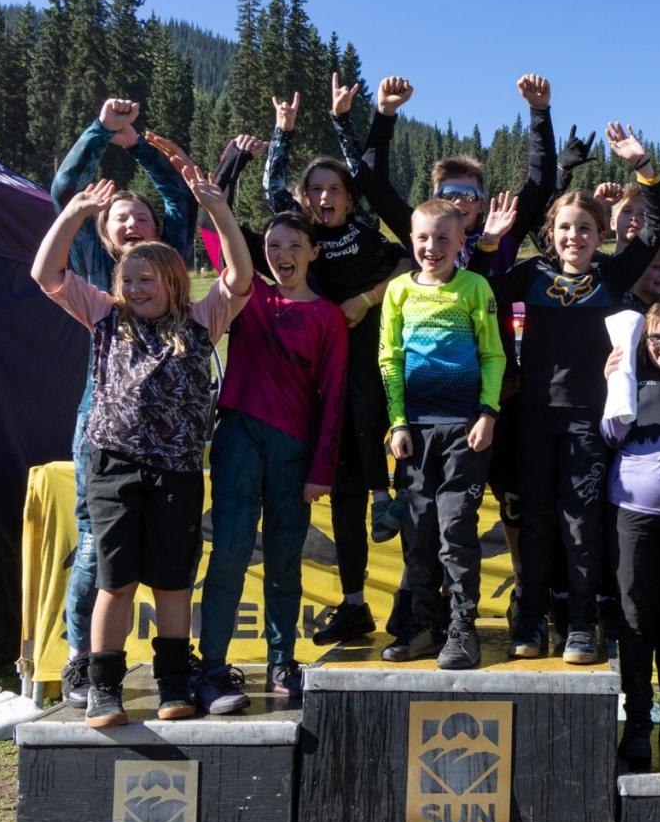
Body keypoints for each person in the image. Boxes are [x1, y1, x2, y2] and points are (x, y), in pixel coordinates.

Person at [337, 73, 557, 635]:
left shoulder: (506, 233)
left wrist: (539, 114)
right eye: (451, 194)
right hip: (432, 408)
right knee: (426, 511)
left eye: (469, 195)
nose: (460, 203)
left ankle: (525, 604)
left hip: (497, 396)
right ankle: (417, 602)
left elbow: (541, 179)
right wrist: (383, 116)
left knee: (512, 505)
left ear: (483, 205)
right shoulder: (426, 233)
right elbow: (372, 179)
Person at [31, 170, 252, 728]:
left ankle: (174, 682)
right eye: (127, 279)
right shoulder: (104, 315)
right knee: (116, 580)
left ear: (175, 281)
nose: (134, 288)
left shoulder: (203, 320)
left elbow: (241, 276)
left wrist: (218, 212)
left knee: (173, 582)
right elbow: (45, 272)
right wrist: (75, 213)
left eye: (146, 279)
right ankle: (104, 686)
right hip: (112, 465)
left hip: (176, 470)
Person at [472, 122, 660, 664]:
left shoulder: (611, 275)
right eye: (565, 228)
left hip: (588, 418)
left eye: (585, 229)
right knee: (536, 520)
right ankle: (533, 618)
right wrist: (490, 238)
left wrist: (642, 166)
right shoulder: (530, 274)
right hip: (532, 415)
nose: (574, 238)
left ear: (601, 234)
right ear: (550, 232)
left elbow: (656, 230)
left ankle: (581, 622)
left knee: (581, 522)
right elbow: (478, 285)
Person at [176, 171, 348, 710]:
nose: (282, 255)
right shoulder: (247, 297)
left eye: (294, 246)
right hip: (238, 437)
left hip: (294, 453)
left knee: (284, 562)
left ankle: (282, 661)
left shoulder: (327, 318)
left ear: (313, 254)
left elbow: (335, 396)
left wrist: (322, 469)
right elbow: (214, 236)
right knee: (227, 553)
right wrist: (219, 185)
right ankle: (212, 666)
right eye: (273, 246)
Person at [49, 98, 197, 709]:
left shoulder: (171, 269)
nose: (131, 225)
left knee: (164, 571)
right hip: (101, 424)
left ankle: (168, 674)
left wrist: (137, 145)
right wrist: (100, 133)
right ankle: (81, 661)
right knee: (94, 547)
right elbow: (64, 189)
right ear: (102, 234)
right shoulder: (91, 271)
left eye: (140, 218)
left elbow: (180, 199)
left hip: (170, 446)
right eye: (118, 219)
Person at [263, 93, 410, 647]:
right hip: (325, 379)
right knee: (343, 496)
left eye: (334, 189)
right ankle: (354, 604)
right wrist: (284, 130)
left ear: (348, 197)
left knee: (383, 459)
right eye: (315, 190)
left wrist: (342, 121)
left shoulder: (366, 223)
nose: (325, 197)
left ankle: (413, 585)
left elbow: (370, 187)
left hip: (379, 366)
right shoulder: (302, 237)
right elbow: (271, 190)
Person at [377, 198, 508, 669]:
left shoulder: (475, 287)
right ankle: (424, 626)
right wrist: (397, 422)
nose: (431, 247)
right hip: (415, 431)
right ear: (411, 240)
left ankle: (461, 628)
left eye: (442, 239)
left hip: (464, 430)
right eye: (422, 238)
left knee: (455, 529)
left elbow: (494, 354)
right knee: (418, 532)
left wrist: (488, 414)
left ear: (459, 243)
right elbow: (389, 358)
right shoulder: (397, 291)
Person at [600, 297, 660, 768]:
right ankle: (638, 722)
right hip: (631, 514)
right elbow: (611, 435)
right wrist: (611, 383)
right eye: (656, 337)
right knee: (635, 618)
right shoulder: (630, 376)